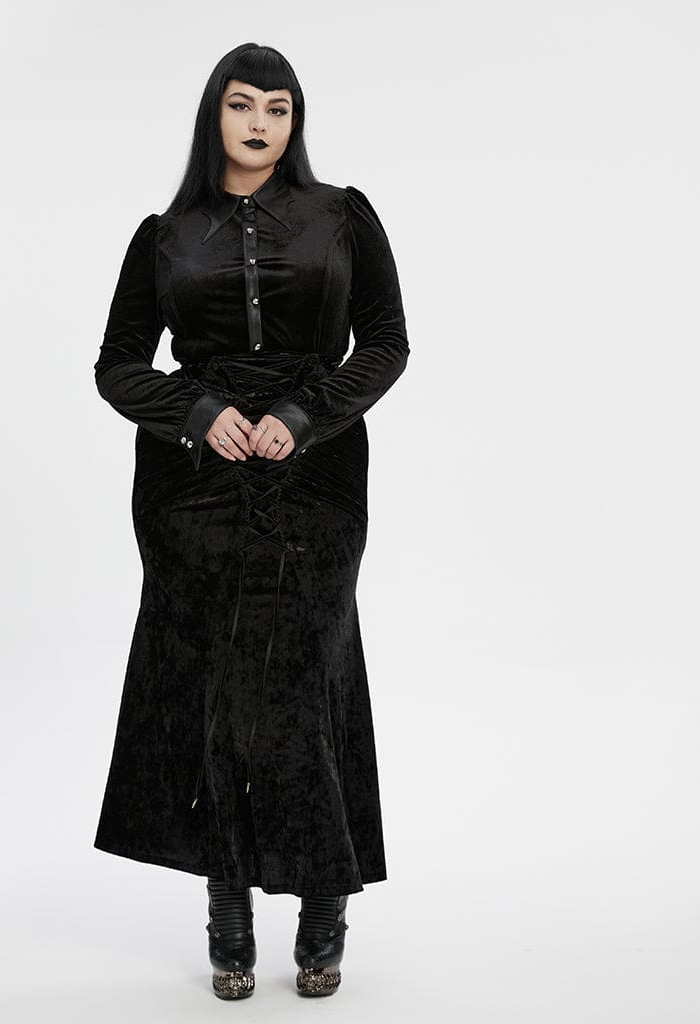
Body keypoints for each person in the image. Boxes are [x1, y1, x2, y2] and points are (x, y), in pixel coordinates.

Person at [91, 41, 410, 999]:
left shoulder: (343, 215)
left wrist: (306, 416)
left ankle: (325, 896)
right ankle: (226, 900)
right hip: (193, 478)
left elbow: (386, 343)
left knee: (308, 671)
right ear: (214, 115)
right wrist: (196, 413)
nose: (260, 122)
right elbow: (117, 364)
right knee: (213, 681)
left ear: (295, 120)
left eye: (278, 107)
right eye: (242, 104)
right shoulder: (164, 234)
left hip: (316, 467)